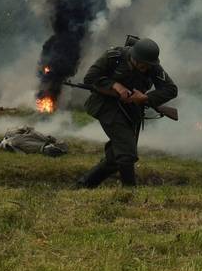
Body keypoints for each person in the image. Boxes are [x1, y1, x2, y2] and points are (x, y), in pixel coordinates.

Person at [73, 37, 177, 188]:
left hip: (131, 110)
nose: (146, 67)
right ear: (134, 58)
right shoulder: (113, 57)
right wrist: (115, 85)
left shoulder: (153, 66)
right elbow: (90, 78)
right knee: (127, 153)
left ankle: (83, 185)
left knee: (116, 158)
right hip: (106, 105)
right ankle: (129, 192)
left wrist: (146, 98)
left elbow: (171, 89)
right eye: (143, 64)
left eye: (148, 65)